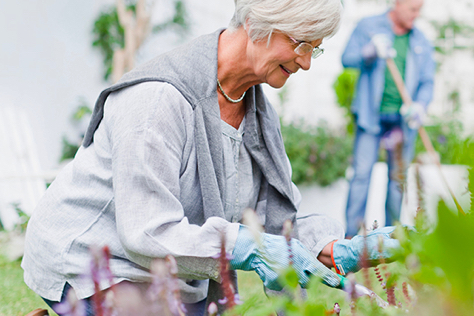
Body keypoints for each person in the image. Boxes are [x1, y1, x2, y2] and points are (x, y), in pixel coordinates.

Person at [22, 1, 400, 315]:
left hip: (168, 268)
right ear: (256, 24)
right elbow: (146, 231)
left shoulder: (254, 108)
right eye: (302, 44)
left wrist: (329, 246)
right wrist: (248, 246)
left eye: (315, 48)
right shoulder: (158, 100)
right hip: (93, 259)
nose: (306, 63)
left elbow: (270, 215)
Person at [342, 0, 435, 238]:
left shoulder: (420, 40)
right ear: (398, 3)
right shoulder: (368, 27)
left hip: (403, 121)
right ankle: (351, 239)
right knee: (361, 176)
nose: (417, 14)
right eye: (413, 9)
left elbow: (427, 81)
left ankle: (389, 239)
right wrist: (369, 51)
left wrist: (420, 106)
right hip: (370, 117)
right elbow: (347, 58)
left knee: (397, 181)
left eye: (420, 9)